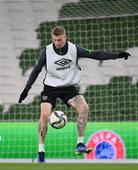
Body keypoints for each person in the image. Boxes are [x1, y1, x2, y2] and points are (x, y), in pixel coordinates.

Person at [18, 26, 130, 162]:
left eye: (59, 39)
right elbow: (36, 70)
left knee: (84, 108)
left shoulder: (74, 49)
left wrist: (116, 56)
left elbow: (95, 54)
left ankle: (80, 144)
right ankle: (41, 152)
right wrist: (26, 89)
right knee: (45, 114)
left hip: (69, 88)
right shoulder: (47, 51)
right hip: (50, 88)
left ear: (66, 37)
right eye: (54, 40)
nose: (57, 42)